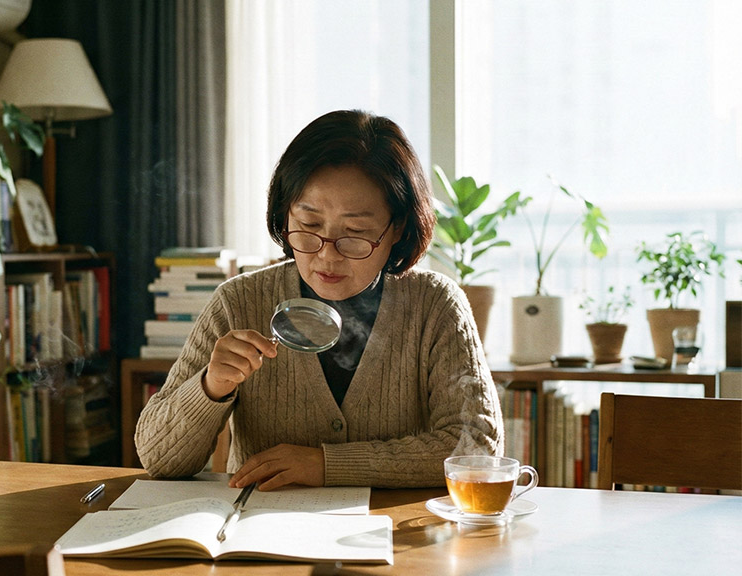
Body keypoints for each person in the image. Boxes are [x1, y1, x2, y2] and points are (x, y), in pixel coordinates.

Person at [135, 110, 503, 490]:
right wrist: (211, 386)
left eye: (356, 232)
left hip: (393, 536)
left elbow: (478, 449)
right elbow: (158, 459)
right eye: (309, 226)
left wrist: (328, 465)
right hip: (261, 533)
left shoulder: (435, 306)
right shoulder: (239, 301)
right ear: (284, 214)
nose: (327, 255)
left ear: (398, 229)